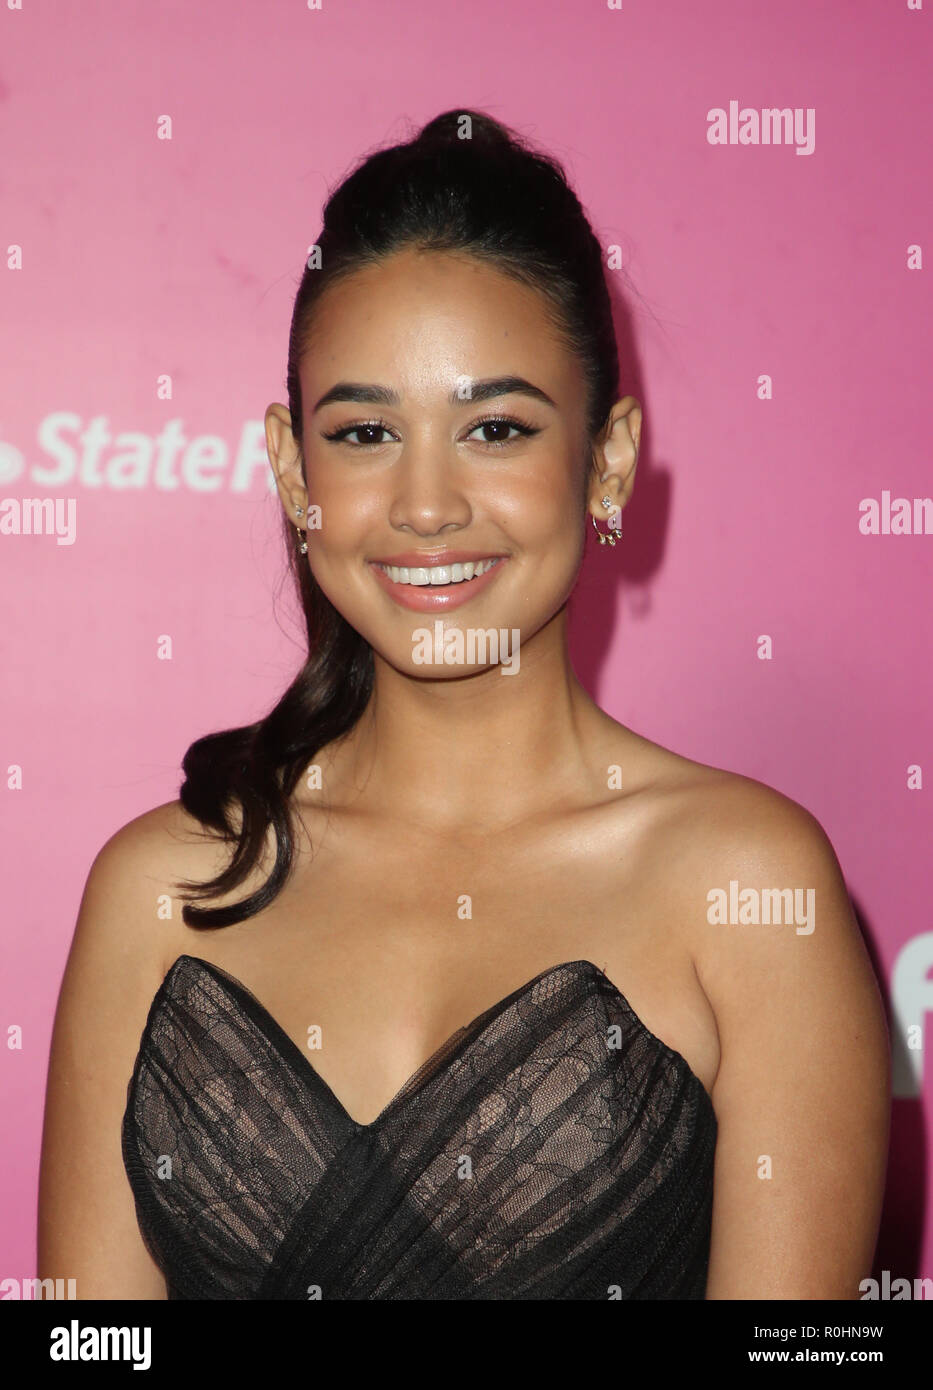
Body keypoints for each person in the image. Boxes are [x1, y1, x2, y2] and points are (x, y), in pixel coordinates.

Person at [38, 108, 890, 1300]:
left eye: (495, 427)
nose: (426, 503)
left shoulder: (749, 887)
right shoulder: (161, 891)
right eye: (365, 431)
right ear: (294, 469)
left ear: (607, 459)